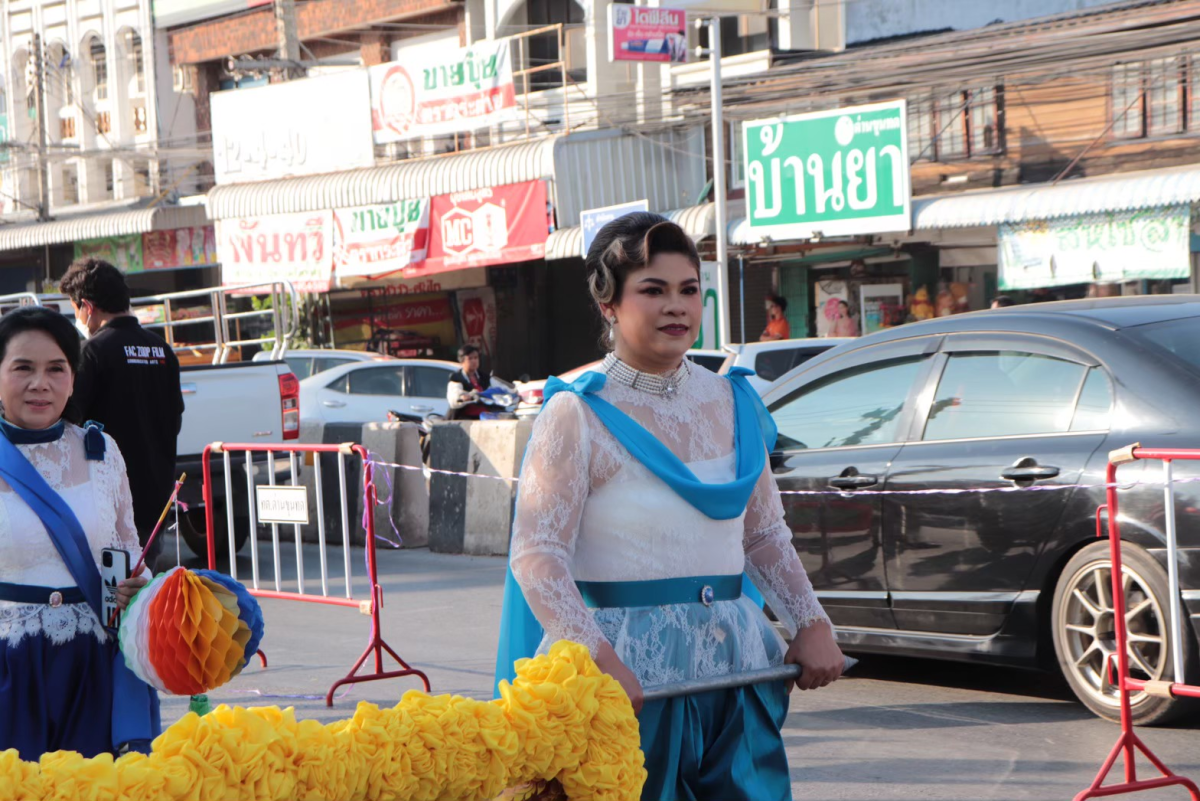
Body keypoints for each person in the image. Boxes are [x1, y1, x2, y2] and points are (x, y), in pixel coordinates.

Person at [494, 213, 843, 800]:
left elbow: (763, 536)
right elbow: (537, 557)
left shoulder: (734, 402)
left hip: (736, 665)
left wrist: (810, 622)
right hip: (626, 676)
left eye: (687, 290)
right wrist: (597, 661)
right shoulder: (574, 413)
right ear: (608, 304)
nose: (676, 307)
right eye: (652, 290)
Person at [0, 308, 160, 760]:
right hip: (10, 670)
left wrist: (138, 587)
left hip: (92, 667)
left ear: (73, 378)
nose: (40, 383)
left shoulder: (102, 451)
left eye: (56, 369)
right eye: (23, 368)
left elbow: (130, 551)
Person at [61, 258, 184, 573]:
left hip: (109, 503)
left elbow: (69, 422)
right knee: (142, 599)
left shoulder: (93, 352)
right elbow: (176, 419)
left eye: (75, 308)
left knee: (113, 606)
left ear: (87, 306)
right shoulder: (162, 350)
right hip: (156, 499)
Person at [446, 344, 491, 421]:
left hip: (485, 417)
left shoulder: (484, 377)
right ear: (462, 361)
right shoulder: (456, 378)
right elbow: (454, 396)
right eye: (470, 358)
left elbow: (497, 387)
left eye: (476, 358)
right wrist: (462, 398)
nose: (474, 361)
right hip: (465, 419)